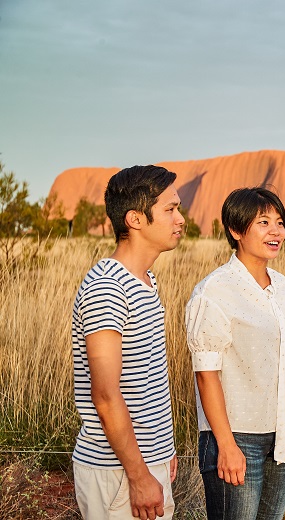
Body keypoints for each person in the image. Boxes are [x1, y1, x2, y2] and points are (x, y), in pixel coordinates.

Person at [185, 187, 285, 520]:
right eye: (263, 222)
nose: (275, 231)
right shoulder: (215, 290)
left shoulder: (284, 287)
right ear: (236, 230)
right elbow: (206, 374)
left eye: (279, 222)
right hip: (238, 437)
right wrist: (226, 446)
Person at [71, 165, 184, 520]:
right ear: (135, 219)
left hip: (148, 464)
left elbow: (147, 380)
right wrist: (138, 474)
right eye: (170, 209)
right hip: (118, 473)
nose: (180, 219)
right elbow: (105, 395)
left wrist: (163, 451)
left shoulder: (146, 280)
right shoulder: (108, 287)